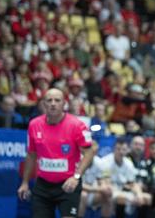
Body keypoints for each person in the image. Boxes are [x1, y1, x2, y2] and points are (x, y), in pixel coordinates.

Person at [17, 88, 97, 218]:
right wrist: (25, 182)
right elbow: (31, 154)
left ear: (64, 104)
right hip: (43, 184)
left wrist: (76, 177)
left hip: (68, 184)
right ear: (43, 104)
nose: (53, 103)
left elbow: (89, 152)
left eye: (57, 100)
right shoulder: (34, 125)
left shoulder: (77, 125)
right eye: (49, 100)